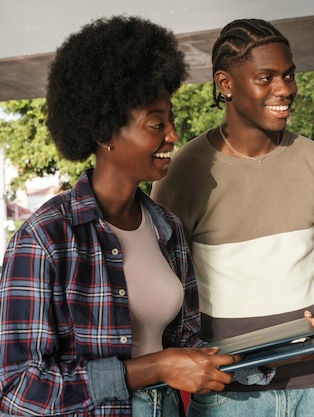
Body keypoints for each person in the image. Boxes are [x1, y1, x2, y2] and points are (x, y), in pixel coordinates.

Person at [0, 15, 245, 417]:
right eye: (156, 123)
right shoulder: (45, 239)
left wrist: (280, 347)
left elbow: (187, 346)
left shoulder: (168, 231)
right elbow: (18, 388)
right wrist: (154, 368)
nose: (172, 135)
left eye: (171, 119)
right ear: (105, 133)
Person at [150, 18, 314, 417]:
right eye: (267, 77)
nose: (285, 89)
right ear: (225, 84)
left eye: (289, 75)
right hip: (229, 391)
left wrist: (298, 315)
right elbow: (171, 281)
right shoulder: (183, 172)